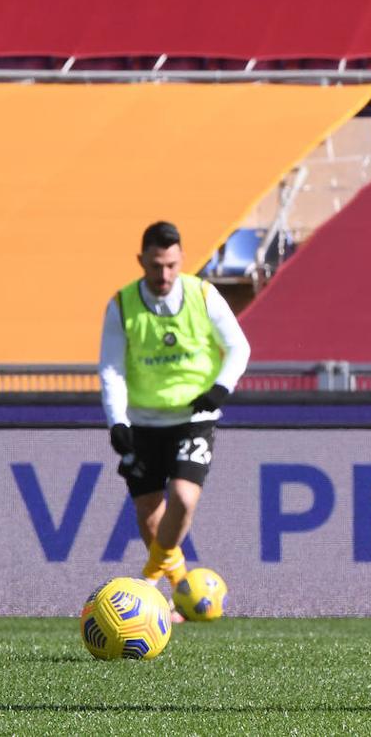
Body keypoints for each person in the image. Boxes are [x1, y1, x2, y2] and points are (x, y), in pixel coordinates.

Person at [98, 221, 251, 610]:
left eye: (170, 265)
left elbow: (238, 347)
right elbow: (112, 368)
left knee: (182, 497)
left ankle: (145, 587)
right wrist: (117, 420)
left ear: (182, 259)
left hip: (193, 416)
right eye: (155, 266)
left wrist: (219, 389)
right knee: (149, 515)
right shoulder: (122, 304)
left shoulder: (203, 295)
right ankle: (182, 592)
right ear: (141, 262)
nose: (163, 275)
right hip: (144, 420)